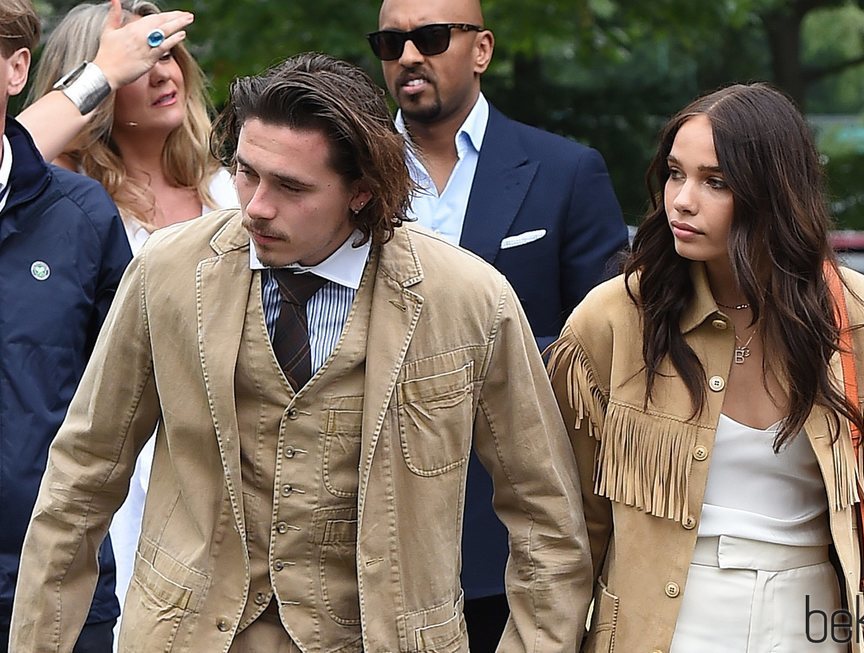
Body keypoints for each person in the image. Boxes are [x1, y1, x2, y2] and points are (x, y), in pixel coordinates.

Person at [9, 52, 591, 653]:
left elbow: (544, 515)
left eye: (291, 187)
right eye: (245, 172)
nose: (256, 205)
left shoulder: (468, 299)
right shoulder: (168, 271)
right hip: (190, 634)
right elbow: (80, 479)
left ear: (362, 192)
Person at [546, 83, 864, 652]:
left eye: (715, 182)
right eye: (676, 173)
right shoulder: (615, 319)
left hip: (814, 621)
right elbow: (571, 532)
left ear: (772, 193)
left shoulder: (855, 316)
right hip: (661, 624)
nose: (682, 199)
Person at [370, 0, 627, 644]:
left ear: (481, 50)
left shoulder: (566, 172)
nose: (408, 57)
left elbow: (603, 351)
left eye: (429, 38)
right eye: (390, 42)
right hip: (364, 522)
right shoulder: (347, 171)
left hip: (509, 530)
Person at [22, 0, 237, 615]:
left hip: (230, 459)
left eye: (168, 53)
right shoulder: (60, 208)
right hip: (121, 467)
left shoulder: (234, 189)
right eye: (142, 63)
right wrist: (103, 73)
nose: (164, 73)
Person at [0, 1, 132, 650]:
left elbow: (135, 398)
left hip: (58, 587)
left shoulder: (82, 216)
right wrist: (103, 70)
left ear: (16, 68)